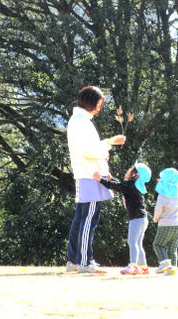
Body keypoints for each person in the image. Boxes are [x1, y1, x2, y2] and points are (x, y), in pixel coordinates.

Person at [66, 86, 126, 273]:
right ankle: (85, 262)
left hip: (85, 174)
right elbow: (88, 150)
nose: (100, 108)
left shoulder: (78, 120)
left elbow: (89, 147)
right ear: (92, 102)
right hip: (90, 175)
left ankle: (74, 261)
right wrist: (105, 150)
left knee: (81, 219)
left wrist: (108, 142)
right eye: (99, 104)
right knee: (88, 221)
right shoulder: (81, 122)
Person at [94, 162, 152, 275]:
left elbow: (117, 186)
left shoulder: (130, 186)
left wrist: (100, 179)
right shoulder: (133, 185)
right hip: (142, 219)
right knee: (138, 243)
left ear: (136, 175)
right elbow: (121, 185)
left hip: (136, 218)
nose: (129, 169)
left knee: (132, 242)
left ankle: (134, 266)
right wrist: (111, 178)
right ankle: (144, 268)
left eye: (132, 169)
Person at [152, 168, 178, 276]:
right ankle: (172, 268)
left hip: (166, 224)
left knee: (158, 245)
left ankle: (164, 263)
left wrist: (155, 219)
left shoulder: (163, 194)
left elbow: (158, 209)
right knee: (172, 248)